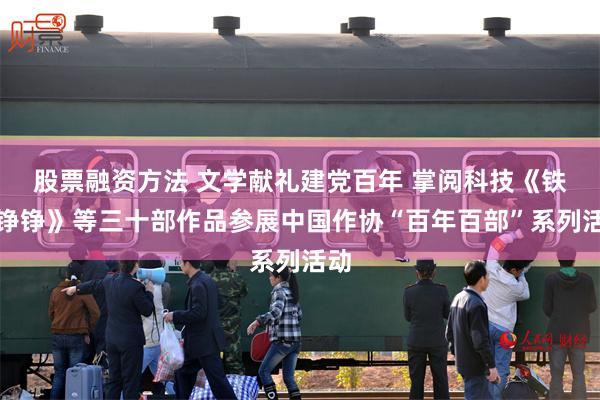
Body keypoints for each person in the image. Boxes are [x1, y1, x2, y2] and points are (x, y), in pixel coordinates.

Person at [63, 250, 155, 400]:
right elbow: (147, 310)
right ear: (135, 265)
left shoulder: (109, 281)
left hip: (112, 339)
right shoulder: (135, 287)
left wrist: (75, 288)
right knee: (130, 381)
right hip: (131, 341)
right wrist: (149, 292)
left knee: (114, 380)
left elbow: (94, 285)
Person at [164, 247, 236, 400]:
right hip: (200, 342)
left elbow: (198, 313)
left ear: (188, 263)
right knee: (183, 373)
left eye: (181, 263)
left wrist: (174, 315)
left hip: (203, 343)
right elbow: (219, 303)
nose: (180, 266)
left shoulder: (197, 285)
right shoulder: (207, 280)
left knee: (217, 382)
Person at [481, 232, 531, 400]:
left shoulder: (490, 268)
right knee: (501, 368)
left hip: (485, 325)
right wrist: (522, 276)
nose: (520, 273)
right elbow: (526, 293)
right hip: (504, 331)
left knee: (486, 366)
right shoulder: (516, 287)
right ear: (514, 270)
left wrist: (515, 235)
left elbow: (496, 244)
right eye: (519, 270)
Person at [544, 246, 597, 399]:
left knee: (556, 374)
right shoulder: (587, 280)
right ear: (574, 259)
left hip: (557, 333)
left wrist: (558, 317)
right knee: (579, 373)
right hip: (579, 333)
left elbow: (547, 308)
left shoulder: (551, 280)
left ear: (558, 260)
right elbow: (592, 306)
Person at [342, 150, 409, 262]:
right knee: (392, 222)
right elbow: (398, 168)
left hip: (362, 195)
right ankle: (400, 254)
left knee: (365, 219)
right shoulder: (378, 157)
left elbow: (342, 181)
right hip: (380, 192)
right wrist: (403, 168)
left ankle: (376, 246)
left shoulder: (349, 162)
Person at [247, 266, 302, 400]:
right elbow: (299, 315)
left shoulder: (279, 291)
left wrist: (257, 321)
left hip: (283, 342)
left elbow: (276, 312)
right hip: (295, 342)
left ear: (278, 277)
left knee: (263, 371)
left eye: (271, 275)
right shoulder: (292, 291)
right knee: (289, 378)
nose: (269, 278)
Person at [447, 260, 498, 400]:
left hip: (465, 364)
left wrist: (459, 355)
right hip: (476, 367)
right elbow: (480, 340)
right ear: (481, 279)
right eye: (487, 276)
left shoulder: (458, 298)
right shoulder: (477, 304)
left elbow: (449, 333)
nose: (489, 279)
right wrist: (491, 366)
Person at [48, 263, 100, 400]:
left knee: (59, 374)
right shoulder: (83, 292)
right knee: (75, 374)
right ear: (82, 275)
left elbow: (51, 313)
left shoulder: (55, 291)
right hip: (77, 337)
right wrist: (87, 329)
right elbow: (96, 313)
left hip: (58, 336)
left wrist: (59, 325)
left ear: (65, 274)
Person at [403, 258, 450, 400]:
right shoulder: (442, 290)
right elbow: (447, 314)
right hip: (437, 341)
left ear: (417, 273)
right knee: (441, 380)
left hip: (416, 341)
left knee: (416, 381)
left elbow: (408, 317)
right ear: (434, 272)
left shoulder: (409, 291)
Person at [209, 244, 248, 375]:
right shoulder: (237, 278)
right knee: (235, 366)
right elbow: (244, 293)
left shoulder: (207, 279)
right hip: (233, 332)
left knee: (212, 368)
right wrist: (233, 271)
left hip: (213, 333)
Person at [139, 253, 172, 396]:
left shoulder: (140, 288)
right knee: (165, 379)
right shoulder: (165, 287)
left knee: (129, 378)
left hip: (144, 342)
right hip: (159, 340)